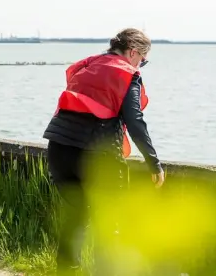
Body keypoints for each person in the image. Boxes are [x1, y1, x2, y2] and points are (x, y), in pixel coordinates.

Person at [43, 28, 164, 275]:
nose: (141, 64)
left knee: (76, 216)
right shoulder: (127, 74)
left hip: (59, 149)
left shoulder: (87, 66)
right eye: (143, 59)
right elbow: (135, 120)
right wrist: (154, 163)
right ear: (133, 52)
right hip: (98, 156)